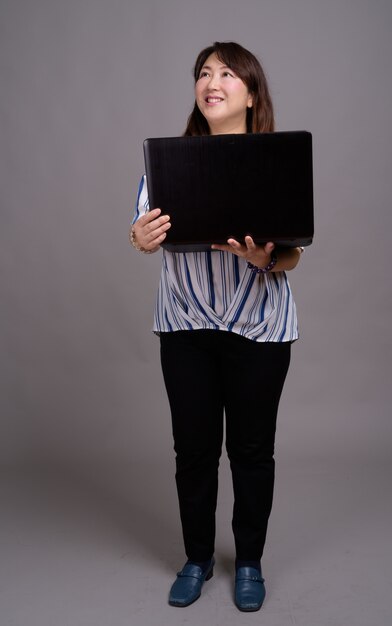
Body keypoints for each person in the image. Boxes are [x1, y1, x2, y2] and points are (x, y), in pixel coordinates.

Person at [130, 41, 303, 612]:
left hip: (258, 323)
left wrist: (265, 259)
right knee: (194, 450)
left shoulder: (275, 161)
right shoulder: (167, 162)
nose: (213, 82)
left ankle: (249, 560)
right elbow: (142, 228)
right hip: (184, 323)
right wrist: (139, 237)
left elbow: (293, 253)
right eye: (204, 73)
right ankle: (198, 557)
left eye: (228, 73)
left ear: (250, 93)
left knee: (252, 449)